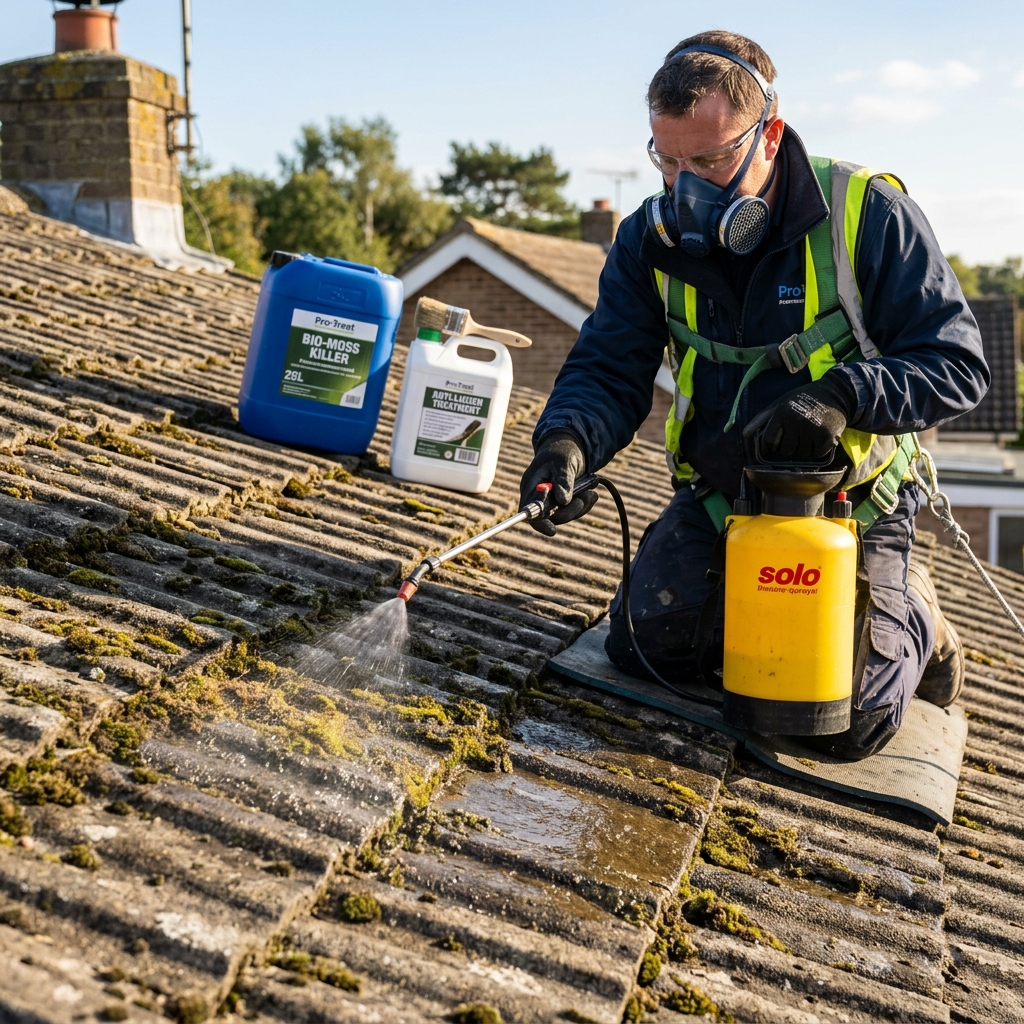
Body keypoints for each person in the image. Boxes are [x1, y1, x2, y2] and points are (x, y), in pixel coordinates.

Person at [520, 30, 989, 759]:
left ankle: (917, 613)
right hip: (721, 495)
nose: (686, 188)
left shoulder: (867, 215)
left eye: (708, 160)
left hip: (848, 508)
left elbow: (958, 363)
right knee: (647, 650)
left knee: (842, 724)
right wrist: (566, 443)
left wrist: (843, 395)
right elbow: (610, 365)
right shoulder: (650, 238)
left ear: (769, 132)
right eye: (668, 160)